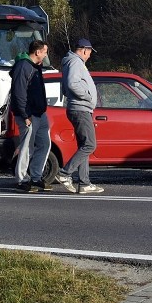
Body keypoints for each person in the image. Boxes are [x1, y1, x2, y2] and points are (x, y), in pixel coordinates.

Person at [55, 38, 104, 194]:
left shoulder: (70, 62)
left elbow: (65, 87)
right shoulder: (76, 62)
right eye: (89, 52)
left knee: (84, 145)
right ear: (84, 50)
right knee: (90, 145)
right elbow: (72, 84)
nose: (89, 56)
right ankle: (64, 173)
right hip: (80, 109)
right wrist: (88, 97)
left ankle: (84, 183)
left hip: (79, 108)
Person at [9, 40, 52, 193]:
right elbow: (19, 93)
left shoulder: (35, 67)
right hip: (29, 115)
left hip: (40, 114)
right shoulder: (23, 67)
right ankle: (21, 179)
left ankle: (36, 176)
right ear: (37, 52)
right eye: (45, 51)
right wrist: (25, 114)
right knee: (27, 147)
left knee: (45, 144)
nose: (46, 54)